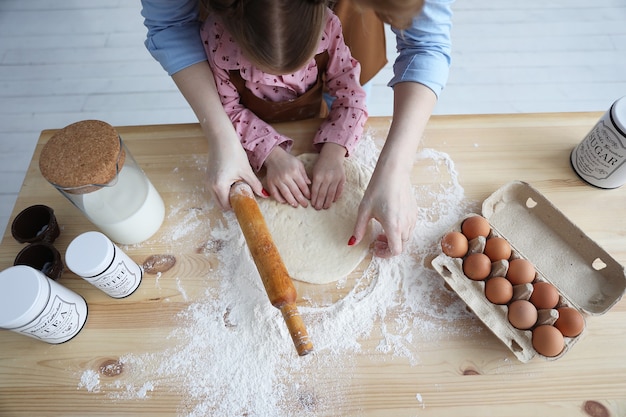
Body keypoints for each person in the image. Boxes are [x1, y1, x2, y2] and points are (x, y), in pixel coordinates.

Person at [140, 0, 453, 258]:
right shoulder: (219, 42)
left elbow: (358, 91)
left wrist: (353, 158)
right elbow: (174, 32)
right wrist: (267, 153)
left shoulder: (331, 30)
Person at [200, 0, 367, 210]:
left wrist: (334, 153)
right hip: (246, 139)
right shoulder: (219, 41)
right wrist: (272, 155)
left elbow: (350, 96)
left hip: (311, 118)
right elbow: (225, 110)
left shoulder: (328, 26)